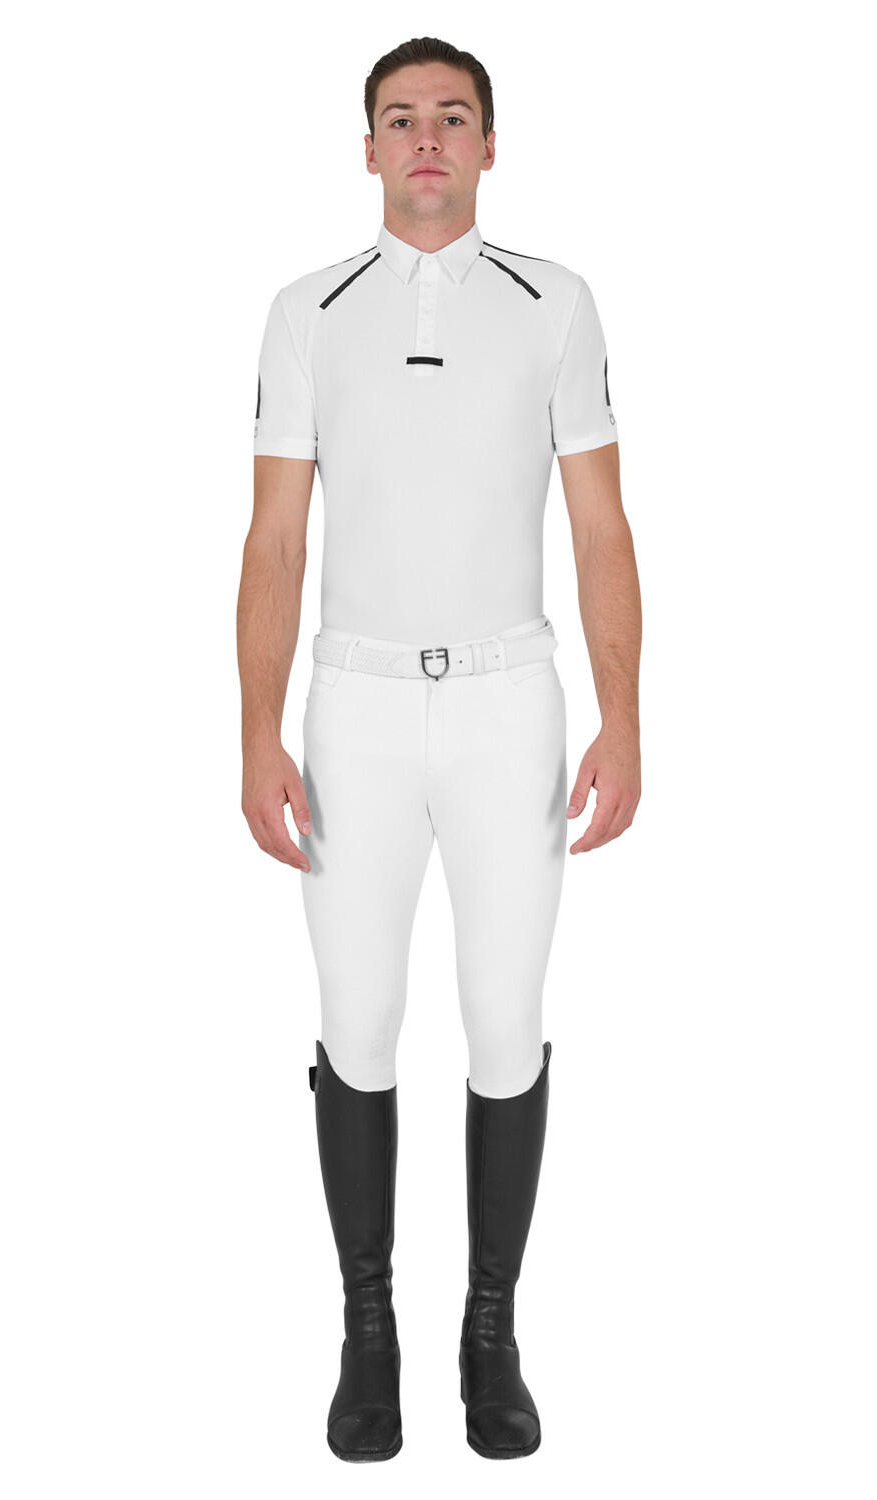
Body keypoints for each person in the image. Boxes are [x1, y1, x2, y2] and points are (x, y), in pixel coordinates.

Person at [237, 35, 642, 1462]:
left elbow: (600, 527)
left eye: (453, 117)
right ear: (367, 149)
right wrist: (256, 732)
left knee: (504, 1023)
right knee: (355, 1023)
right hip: (351, 706)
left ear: (488, 145)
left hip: (505, 700)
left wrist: (624, 716)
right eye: (401, 118)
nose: (427, 139)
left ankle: (491, 1329)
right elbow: (275, 539)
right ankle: (369, 1332)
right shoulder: (307, 313)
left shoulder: (555, 304)